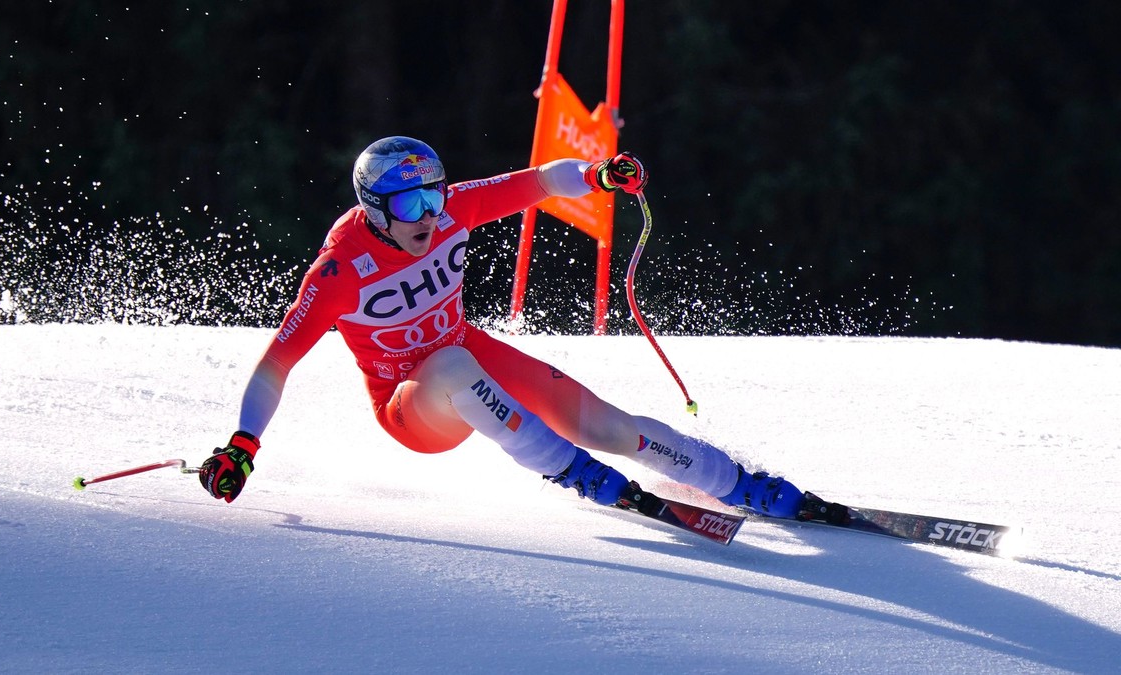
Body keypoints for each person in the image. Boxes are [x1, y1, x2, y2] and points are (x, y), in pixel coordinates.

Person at [200, 135, 812, 520]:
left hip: (471, 357)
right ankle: (569, 469)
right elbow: (276, 363)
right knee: (451, 366)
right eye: (410, 206)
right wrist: (243, 443)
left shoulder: (451, 211)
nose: (428, 217)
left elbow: (540, 181)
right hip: (411, 408)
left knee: (605, 423)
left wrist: (597, 175)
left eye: (435, 198)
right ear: (374, 210)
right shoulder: (339, 269)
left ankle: (736, 483)